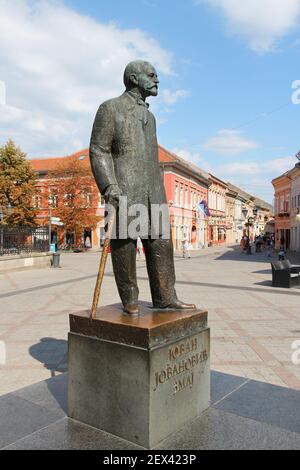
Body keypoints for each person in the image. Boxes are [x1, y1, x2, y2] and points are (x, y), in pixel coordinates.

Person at [89, 60, 195, 315]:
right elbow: (99, 150)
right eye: (152, 75)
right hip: (125, 190)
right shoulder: (110, 108)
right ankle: (130, 300)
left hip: (154, 192)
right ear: (134, 79)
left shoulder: (150, 116)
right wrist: (109, 186)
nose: (157, 80)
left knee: (161, 246)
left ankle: (165, 297)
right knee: (124, 248)